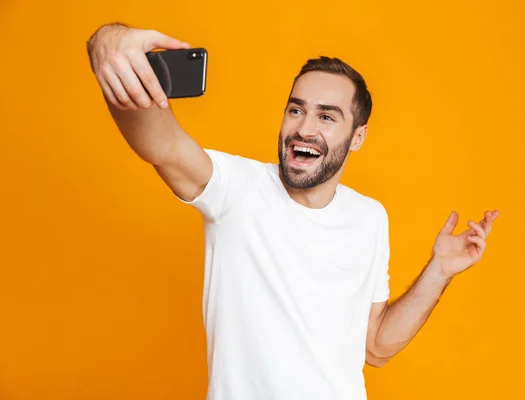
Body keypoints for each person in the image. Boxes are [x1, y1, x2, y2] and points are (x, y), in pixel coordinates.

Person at [86, 22, 500, 400]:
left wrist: (438, 272)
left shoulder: (371, 218)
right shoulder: (238, 189)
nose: (304, 128)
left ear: (357, 138)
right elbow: (164, 147)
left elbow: (374, 347)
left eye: (326, 116)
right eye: (296, 109)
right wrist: (108, 44)